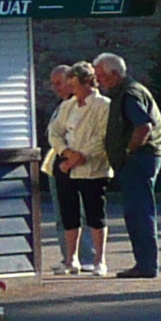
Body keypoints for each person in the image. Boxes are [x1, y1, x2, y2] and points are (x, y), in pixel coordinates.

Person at [95, 51, 161, 278]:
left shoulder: (129, 94)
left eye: (101, 76)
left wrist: (128, 151)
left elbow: (143, 126)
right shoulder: (125, 92)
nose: (98, 81)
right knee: (136, 212)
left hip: (139, 160)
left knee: (139, 213)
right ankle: (144, 263)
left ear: (114, 74)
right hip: (139, 160)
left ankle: (146, 265)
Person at [44, 62, 110, 274]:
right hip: (66, 167)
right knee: (68, 214)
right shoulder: (68, 105)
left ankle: (99, 260)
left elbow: (103, 137)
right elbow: (54, 132)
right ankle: (71, 259)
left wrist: (79, 157)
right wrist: (66, 152)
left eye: (74, 84)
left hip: (93, 168)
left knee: (95, 213)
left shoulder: (103, 105)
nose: (71, 89)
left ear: (87, 83)